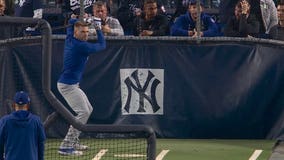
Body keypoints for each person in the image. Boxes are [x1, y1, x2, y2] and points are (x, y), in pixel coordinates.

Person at [57, 15, 106, 156]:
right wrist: (98, 29)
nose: (85, 35)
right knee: (83, 112)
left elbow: (71, 23)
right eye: (82, 32)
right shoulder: (81, 46)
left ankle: (74, 140)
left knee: (88, 109)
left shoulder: (69, 37)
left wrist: (75, 18)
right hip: (67, 86)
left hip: (72, 84)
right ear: (75, 32)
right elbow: (102, 45)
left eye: (87, 32)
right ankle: (66, 146)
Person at [0, 91, 46, 160]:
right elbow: (41, 143)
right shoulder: (36, 121)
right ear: (28, 104)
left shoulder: (5, 121)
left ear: (14, 104)